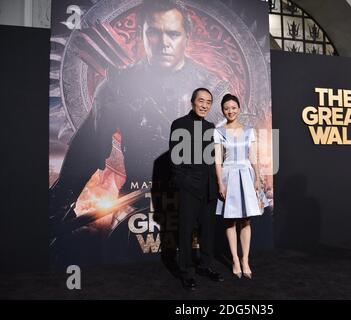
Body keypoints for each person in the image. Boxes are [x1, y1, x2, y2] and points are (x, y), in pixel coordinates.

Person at [49, 0, 227, 247]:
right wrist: (58, 204)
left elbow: (228, 150)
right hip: (136, 203)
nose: (163, 42)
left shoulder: (214, 89)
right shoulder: (117, 86)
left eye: (173, 34)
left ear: (187, 37)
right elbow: (88, 150)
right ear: (141, 35)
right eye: (154, 32)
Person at [169, 88, 224, 291]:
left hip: (209, 188)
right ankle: (186, 272)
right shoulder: (179, 124)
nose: (204, 105)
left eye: (208, 102)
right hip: (189, 189)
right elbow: (175, 162)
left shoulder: (211, 127)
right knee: (185, 232)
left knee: (208, 232)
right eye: (201, 101)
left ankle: (205, 266)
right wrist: (185, 182)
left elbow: (215, 159)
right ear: (192, 102)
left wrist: (218, 184)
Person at [214, 94, 268, 280]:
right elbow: (218, 160)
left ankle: (245, 260)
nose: (230, 110)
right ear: (223, 110)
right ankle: (235, 260)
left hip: (246, 175)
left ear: (239, 108)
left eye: (233, 107)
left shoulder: (249, 131)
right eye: (226, 108)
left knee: (246, 220)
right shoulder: (219, 131)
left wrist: (257, 178)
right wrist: (220, 182)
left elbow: (253, 156)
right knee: (230, 221)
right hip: (229, 175)